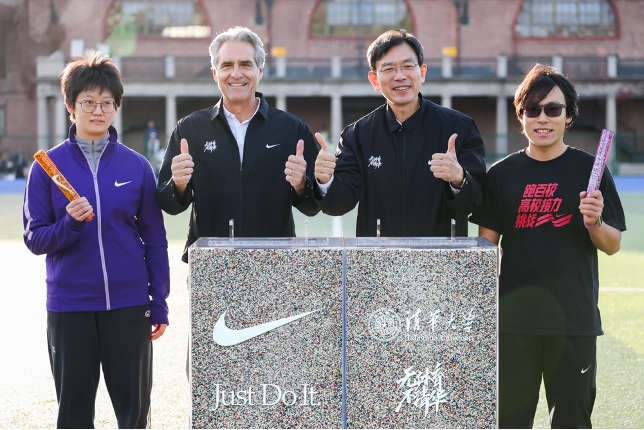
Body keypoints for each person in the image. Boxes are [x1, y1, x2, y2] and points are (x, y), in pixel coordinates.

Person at [469, 64, 626, 428]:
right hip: (512, 324)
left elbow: (613, 245)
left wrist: (594, 221)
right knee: (509, 421)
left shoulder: (590, 171)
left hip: (573, 321)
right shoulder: (501, 174)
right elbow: (485, 251)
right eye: (532, 109)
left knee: (572, 421)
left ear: (568, 116)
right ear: (521, 115)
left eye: (553, 109)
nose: (542, 118)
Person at [22, 52, 170, 428]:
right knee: (73, 414)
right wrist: (70, 225)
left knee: (134, 413)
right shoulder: (45, 167)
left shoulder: (137, 166)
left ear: (116, 107)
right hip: (70, 306)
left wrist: (159, 302)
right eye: (88, 102)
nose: (98, 111)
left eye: (106, 103)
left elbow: (155, 240)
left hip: (129, 304)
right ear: (71, 107)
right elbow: (35, 238)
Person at [156, 26, 319, 263]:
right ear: (215, 73)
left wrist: (302, 185)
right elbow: (168, 203)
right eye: (227, 65)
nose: (236, 73)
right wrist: (179, 184)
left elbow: (313, 206)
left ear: (259, 71)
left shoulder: (291, 129)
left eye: (245, 64)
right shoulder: (189, 129)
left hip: (276, 264)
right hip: (210, 264)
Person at [313, 29, 486, 237]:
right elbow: (338, 205)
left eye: (407, 66)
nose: (400, 76)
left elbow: (476, 202)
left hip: (442, 255)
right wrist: (325, 180)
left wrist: (459, 179)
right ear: (374, 80)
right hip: (378, 255)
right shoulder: (356, 136)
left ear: (422, 72)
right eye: (388, 69)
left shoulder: (459, 128)